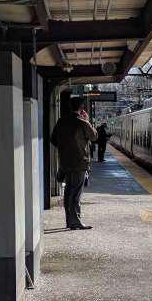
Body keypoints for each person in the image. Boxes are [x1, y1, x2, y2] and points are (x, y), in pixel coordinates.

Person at [51, 98, 98, 230]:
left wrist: (64, 149)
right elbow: (94, 137)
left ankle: (69, 221)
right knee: (76, 193)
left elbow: (53, 139)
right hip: (80, 162)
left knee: (68, 192)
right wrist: (87, 120)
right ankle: (76, 221)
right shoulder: (82, 123)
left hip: (65, 162)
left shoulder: (61, 122)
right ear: (81, 108)